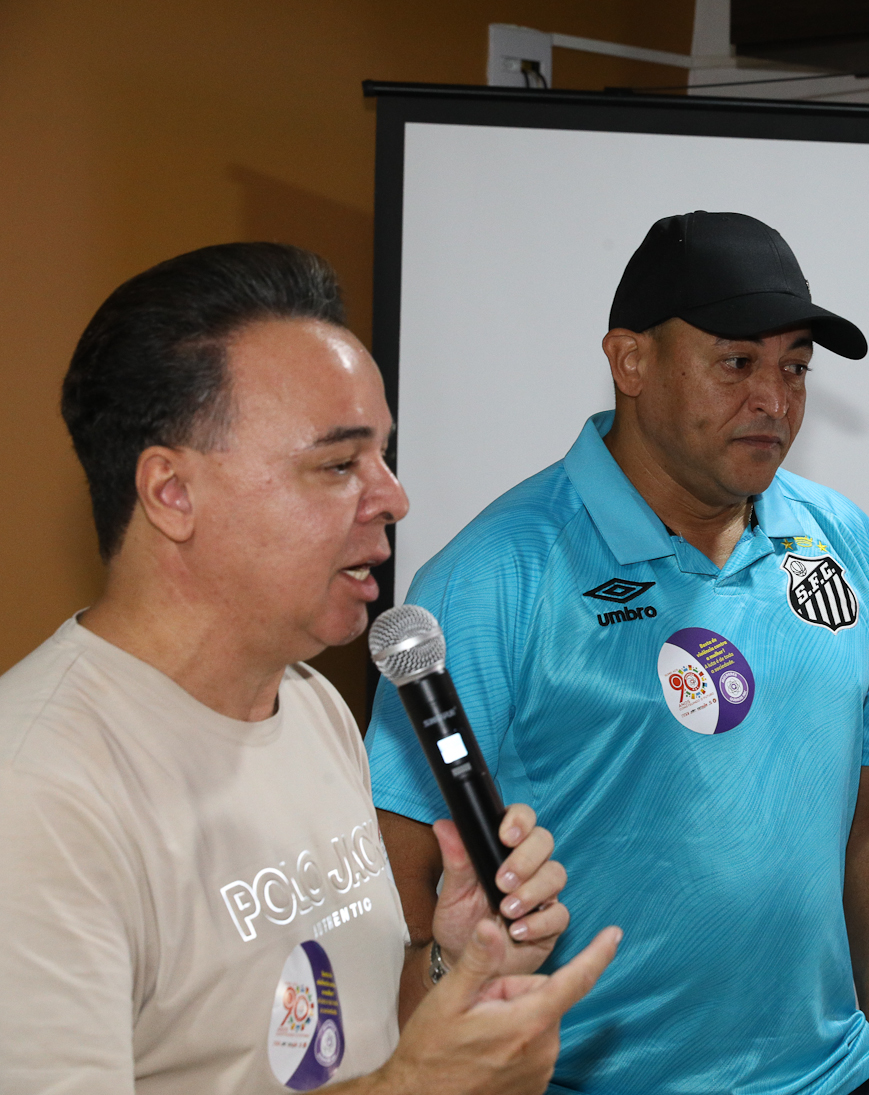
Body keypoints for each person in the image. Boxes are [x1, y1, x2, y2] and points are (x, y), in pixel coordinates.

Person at [0, 242, 619, 1094]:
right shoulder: (35, 791)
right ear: (170, 493)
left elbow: (359, 1047)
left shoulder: (312, 703)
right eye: (338, 464)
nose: (394, 496)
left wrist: (459, 966)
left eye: (383, 455)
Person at [366, 211, 869, 1095]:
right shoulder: (491, 575)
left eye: (793, 368)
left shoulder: (839, 539)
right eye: (736, 362)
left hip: (836, 1077)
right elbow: (397, 884)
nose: (774, 401)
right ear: (630, 361)